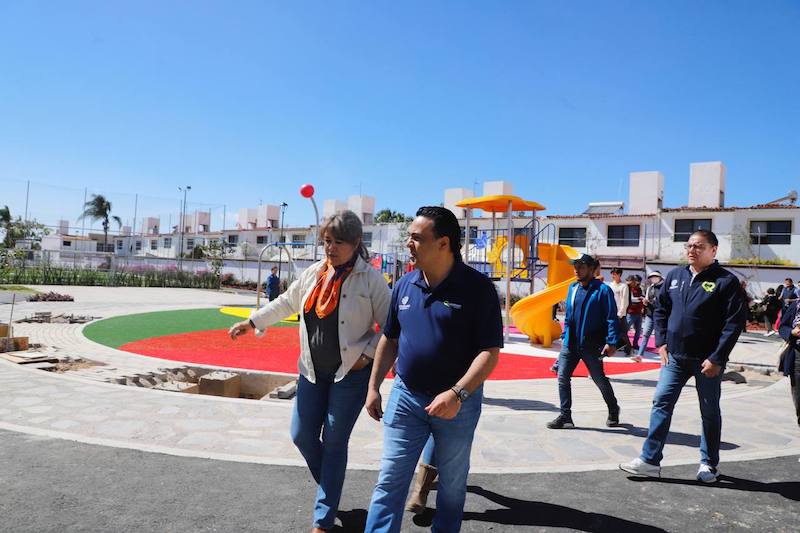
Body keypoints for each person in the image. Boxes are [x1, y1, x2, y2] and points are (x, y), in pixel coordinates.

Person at [228, 210, 391, 533]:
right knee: (301, 434)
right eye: (327, 241)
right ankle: (330, 488)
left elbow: (390, 327)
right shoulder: (315, 273)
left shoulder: (370, 279)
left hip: (350, 374)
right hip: (312, 371)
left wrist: (367, 355)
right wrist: (252, 322)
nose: (330, 249)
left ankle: (323, 518)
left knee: (333, 442)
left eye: (338, 242)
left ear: (356, 243)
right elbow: (287, 302)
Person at [363, 206, 503, 533]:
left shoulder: (477, 289)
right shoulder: (404, 284)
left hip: (458, 406)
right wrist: (373, 387)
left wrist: (457, 394)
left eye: (416, 238)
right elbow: (390, 339)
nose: (408, 244)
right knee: (390, 480)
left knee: (452, 487)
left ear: (443, 243)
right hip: (406, 397)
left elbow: (489, 353)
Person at [620, 229, 745, 483]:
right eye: (689, 246)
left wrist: (718, 358)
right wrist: (662, 341)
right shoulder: (676, 276)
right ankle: (650, 461)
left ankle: (709, 464)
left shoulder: (725, 281)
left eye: (698, 246)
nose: (691, 250)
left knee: (709, 412)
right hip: (674, 358)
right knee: (661, 404)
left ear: (713, 250)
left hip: (707, 361)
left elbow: (733, 324)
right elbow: (660, 309)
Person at [547, 253, 621, 430]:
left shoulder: (603, 290)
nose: (577, 270)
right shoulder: (572, 288)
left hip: (591, 345)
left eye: (581, 266)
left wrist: (611, 342)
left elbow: (612, 317)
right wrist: (565, 335)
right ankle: (566, 416)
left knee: (599, 379)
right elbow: (570, 315)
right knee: (562, 377)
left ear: (591, 269)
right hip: (570, 344)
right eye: (575, 266)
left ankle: (613, 408)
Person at [777, 300, 800, 427]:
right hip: (798, 357)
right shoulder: (796, 306)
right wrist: (791, 332)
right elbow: (783, 326)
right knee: (798, 395)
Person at [638, 271, 664, 358]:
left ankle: (662, 355)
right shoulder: (650, 288)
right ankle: (640, 354)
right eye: (652, 277)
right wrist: (645, 302)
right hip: (650, 314)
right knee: (645, 334)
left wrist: (651, 302)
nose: (653, 278)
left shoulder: (664, 287)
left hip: (660, 315)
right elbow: (647, 299)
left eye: (655, 276)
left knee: (659, 335)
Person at [609, 267, 632, 355]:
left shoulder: (623, 286)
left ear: (619, 274)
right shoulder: (610, 285)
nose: (613, 275)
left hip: (620, 314)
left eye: (615, 274)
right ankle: (613, 347)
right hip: (611, 312)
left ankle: (628, 349)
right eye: (612, 273)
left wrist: (621, 313)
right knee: (611, 331)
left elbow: (624, 300)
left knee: (623, 333)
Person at [626, 274, 644, 356]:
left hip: (638, 312)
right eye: (636, 281)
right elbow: (631, 299)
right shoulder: (629, 289)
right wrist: (639, 299)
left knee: (638, 330)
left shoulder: (640, 289)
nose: (638, 283)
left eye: (639, 281)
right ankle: (625, 344)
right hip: (631, 312)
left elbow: (642, 298)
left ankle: (635, 344)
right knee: (625, 329)